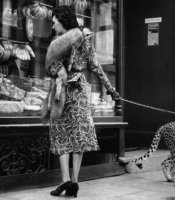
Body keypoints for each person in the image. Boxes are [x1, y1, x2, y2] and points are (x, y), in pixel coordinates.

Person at [46, 5, 120, 198]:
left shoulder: (58, 43)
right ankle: (72, 182)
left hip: (63, 94)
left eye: (55, 20)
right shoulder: (79, 42)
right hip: (76, 94)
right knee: (75, 136)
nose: (53, 24)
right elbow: (96, 68)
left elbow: (51, 68)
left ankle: (67, 181)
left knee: (63, 134)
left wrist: (111, 90)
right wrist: (112, 91)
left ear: (64, 21)